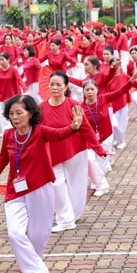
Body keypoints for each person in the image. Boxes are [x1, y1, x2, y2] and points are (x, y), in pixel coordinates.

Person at [0, 95, 85, 273]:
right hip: (15, 191)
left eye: (19, 113)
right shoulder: (9, 135)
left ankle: (34, 265)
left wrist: (74, 127)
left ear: (31, 113)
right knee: (15, 232)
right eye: (11, 114)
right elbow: (2, 159)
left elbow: (59, 134)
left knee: (38, 235)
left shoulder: (40, 132)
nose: (15, 117)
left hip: (40, 189)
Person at [42, 72, 106, 232]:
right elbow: (37, 131)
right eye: (52, 84)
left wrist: (99, 149)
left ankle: (74, 214)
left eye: (58, 84)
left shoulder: (73, 105)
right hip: (54, 153)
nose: (55, 88)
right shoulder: (42, 107)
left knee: (75, 185)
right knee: (56, 184)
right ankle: (65, 219)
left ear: (65, 87)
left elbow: (86, 128)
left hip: (75, 151)